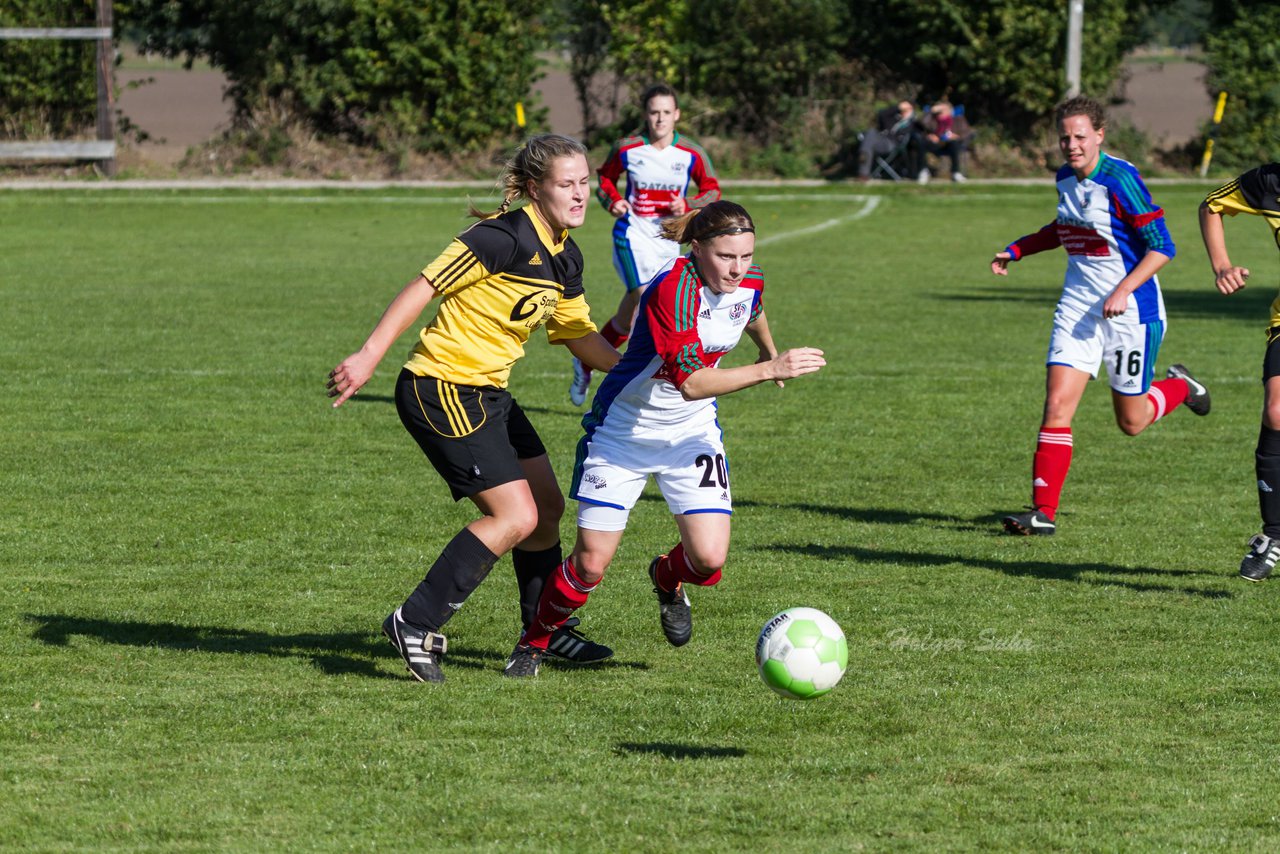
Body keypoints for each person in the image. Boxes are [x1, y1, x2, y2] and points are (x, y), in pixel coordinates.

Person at [327, 134, 621, 683]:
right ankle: (414, 622)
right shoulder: (500, 237)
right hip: (442, 387)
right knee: (516, 516)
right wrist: (369, 355)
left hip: (490, 393)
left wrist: (647, 367)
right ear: (535, 188)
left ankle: (544, 626)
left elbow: (580, 337)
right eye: (566, 184)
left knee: (547, 506)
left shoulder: (565, 256)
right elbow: (424, 286)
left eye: (585, 183)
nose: (580, 195)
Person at [501, 200, 827, 677]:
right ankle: (532, 644)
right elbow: (691, 383)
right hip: (623, 434)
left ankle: (666, 577)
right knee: (591, 565)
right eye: (725, 257)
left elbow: (751, 308)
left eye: (745, 257)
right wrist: (769, 368)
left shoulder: (748, 280)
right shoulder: (674, 289)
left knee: (709, 561)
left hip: (691, 432)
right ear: (696, 249)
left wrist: (768, 346)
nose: (737, 269)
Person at [990, 95, 1209, 536]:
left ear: (1100, 135)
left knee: (1131, 422)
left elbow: (1163, 246)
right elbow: (1063, 227)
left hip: (1132, 312)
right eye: (1065, 137)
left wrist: (1123, 289)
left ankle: (1181, 386)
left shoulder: (1120, 180)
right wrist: (1018, 249)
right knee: (1056, 404)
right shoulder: (1064, 179)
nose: (1071, 145)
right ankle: (1042, 513)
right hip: (1078, 309)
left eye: (1080, 136)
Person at [569, 82, 721, 406]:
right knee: (646, 302)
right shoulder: (628, 148)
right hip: (632, 234)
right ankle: (637, 381)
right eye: (654, 112)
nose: (660, 119)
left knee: (627, 318)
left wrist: (689, 203)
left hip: (669, 240)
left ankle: (586, 360)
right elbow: (605, 178)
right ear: (646, 115)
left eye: (666, 112)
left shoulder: (691, 153)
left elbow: (712, 190)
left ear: (677, 115)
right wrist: (613, 202)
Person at [1200, 163, 1280, 579]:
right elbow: (1211, 206)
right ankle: (1274, 536)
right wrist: (1222, 266)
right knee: (1276, 412)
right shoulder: (1271, 181)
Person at [857, 100, 922, 181]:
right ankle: (864, 156)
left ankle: (863, 166)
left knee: (867, 143)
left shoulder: (912, 123)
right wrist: (897, 107)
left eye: (907, 109)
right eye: (903, 110)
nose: (904, 112)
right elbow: (881, 114)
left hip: (892, 144)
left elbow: (920, 130)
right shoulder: (893, 118)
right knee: (871, 132)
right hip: (880, 140)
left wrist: (909, 117)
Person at [918, 101, 967, 184]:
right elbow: (922, 122)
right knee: (922, 143)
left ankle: (956, 172)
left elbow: (966, 133)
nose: (940, 113)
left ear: (949, 111)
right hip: (936, 144)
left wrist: (956, 136)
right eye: (939, 111)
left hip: (950, 145)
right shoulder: (932, 120)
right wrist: (931, 111)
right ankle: (924, 171)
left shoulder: (958, 119)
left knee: (954, 144)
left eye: (943, 110)